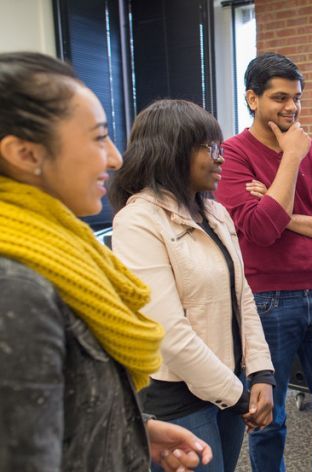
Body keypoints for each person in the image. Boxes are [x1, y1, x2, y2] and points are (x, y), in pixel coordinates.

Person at [0, 52, 212, 471]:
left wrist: (136, 428)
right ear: (25, 154)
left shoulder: (64, 251)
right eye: (98, 138)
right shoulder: (18, 289)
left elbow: (59, 402)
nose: (115, 158)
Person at [108, 99, 275, 472]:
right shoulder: (137, 221)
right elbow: (169, 333)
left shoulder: (215, 212)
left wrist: (261, 372)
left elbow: (242, 295)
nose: (221, 158)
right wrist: (240, 397)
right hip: (181, 398)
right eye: (210, 148)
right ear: (173, 150)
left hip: (227, 383)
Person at [215, 52, 312, 472]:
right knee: (268, 421)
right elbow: (260, 230)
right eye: (280, 98)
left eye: (296, 98)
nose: (291, 108)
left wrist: (288, 217)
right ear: (252, 98)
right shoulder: (234, 154)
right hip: (267, 302)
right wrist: (291, 157)